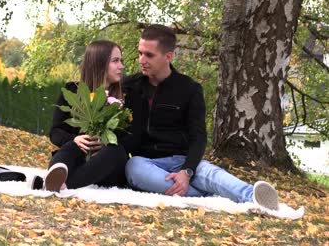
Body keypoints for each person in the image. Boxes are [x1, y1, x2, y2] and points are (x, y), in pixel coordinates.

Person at [123, 24, 280, 210]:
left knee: (211, 173)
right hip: (147, 163)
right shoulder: (129, 86)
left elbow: (198, 136)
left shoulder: (189, 88)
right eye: (140, 53)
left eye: (149, 55)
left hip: (183, 160)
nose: (142, 60)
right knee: (133, 167)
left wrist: (187, 171)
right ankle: (206, 196)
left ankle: (254, 197)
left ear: (168, 56)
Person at [33, 40, 138, 192]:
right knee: (72, 145)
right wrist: (75, 139)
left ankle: (63, 186)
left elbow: (135, 139)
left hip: (109, 166)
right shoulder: (73, 91)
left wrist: (105, 142)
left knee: (114, 151)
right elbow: (55, 132)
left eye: (121, 61)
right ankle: (54, 178)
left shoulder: (129, 97)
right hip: (79, 158)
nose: (121, 66)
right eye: (115, 61)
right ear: (99, 63)